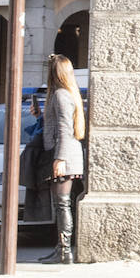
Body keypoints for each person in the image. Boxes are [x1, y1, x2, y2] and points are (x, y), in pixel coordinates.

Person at [38, 55, 85, 264]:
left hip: (64, 155)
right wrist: (41, 115)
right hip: (66, 154)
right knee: (62, 204)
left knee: (62, 204)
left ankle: (65, 250)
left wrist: (59, 158)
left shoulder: (60, 95)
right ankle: (61, 248)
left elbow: (65, 129)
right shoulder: (67, 94)